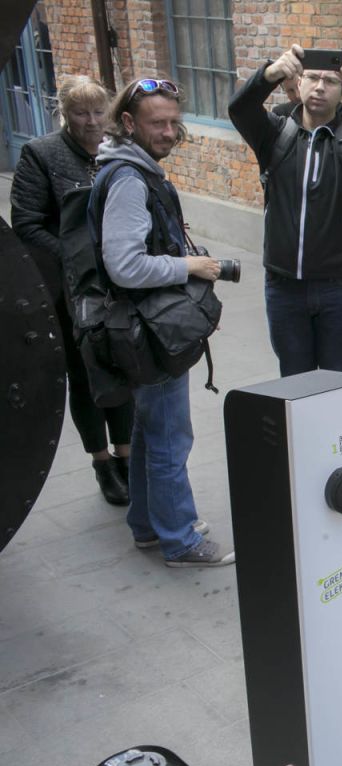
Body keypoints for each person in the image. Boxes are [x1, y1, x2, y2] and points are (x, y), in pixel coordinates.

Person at [95, 77, 233, 566]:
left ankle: (148, 525)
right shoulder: (130, 180)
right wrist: (190, 266)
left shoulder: (127, 169)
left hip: (142, 329)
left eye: (174, 122)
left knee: (150, 431)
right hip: (149, 333)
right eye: (158, 123)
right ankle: (180, 540)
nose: (169, 132)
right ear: (128, 122)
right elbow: (125, 266)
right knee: (170, 437)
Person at [11, 75, 136, 507]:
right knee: (84, 374)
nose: (92, 122)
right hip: (69, 289)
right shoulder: (41, 154)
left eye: (99, 111)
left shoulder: (118, 148)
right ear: (64, 113)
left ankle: (126, 453)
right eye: (81, 113)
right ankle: (102, 461)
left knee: (123, 363)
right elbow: (26, 223)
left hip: (117, 282)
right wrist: (76, 257)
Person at [228, 45, 342, 377]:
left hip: (340, 287)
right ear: (298, 83)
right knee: (295, 383)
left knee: (338, 382)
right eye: (312, 77)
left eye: (331, 81)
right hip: (284, 287)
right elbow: (239, 109)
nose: (320, 87)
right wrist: (270, 74)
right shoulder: (276, 133)